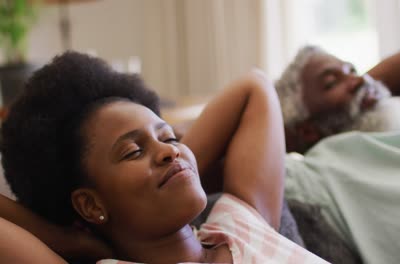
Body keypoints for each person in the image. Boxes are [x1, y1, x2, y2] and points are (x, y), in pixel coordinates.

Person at [0, 52, 328, 263]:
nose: (170, 150)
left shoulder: (242, 222)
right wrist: (65, 239)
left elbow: (254, 87)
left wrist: (172, 165)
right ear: (91, 204)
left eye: (169, 136)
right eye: (132, 151)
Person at [276, 41, 400, 263]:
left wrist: (358, 90)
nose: (359, 79)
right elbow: (248, 125)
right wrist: (296, 128)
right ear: (307, 130)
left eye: (353, 70)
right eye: (330, 83)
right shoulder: (313, 173)